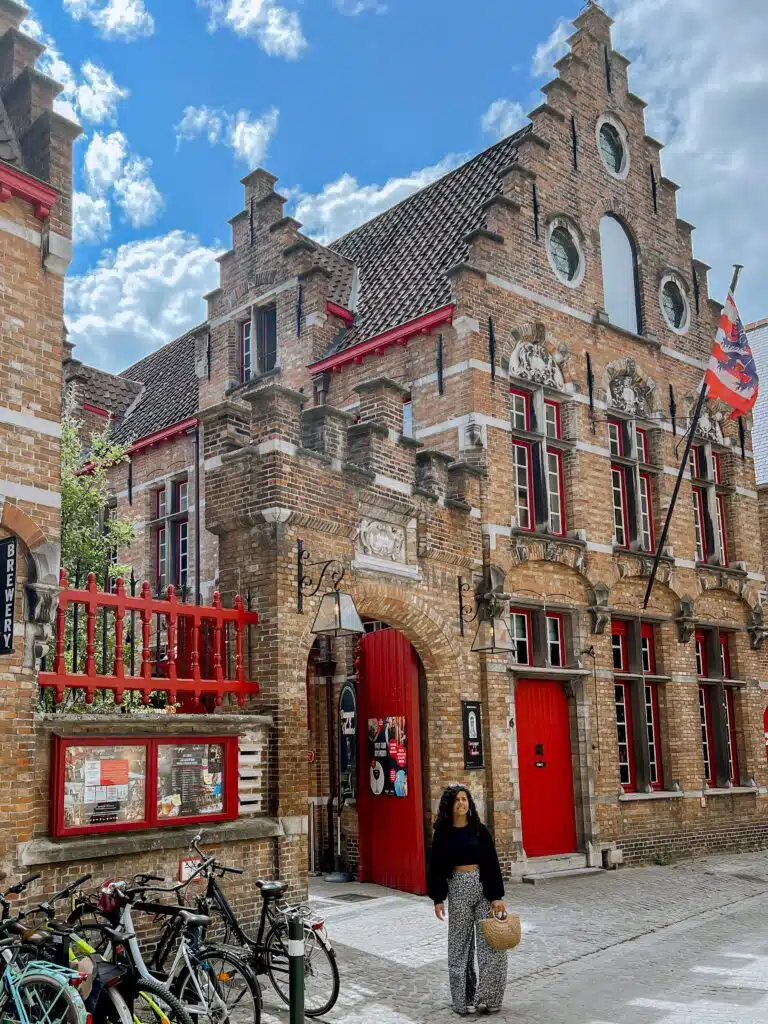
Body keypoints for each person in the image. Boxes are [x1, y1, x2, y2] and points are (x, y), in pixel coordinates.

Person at [428, 785, 508, 1016]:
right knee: (459, 946)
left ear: (469, 804)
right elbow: (437, 868)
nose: (461, 804)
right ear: (450, 806)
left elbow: (491, 863)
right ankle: (464, 1000)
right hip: (458, 890)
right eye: (457, 800)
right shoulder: (442, 832)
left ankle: (490, 997)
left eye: (465, 800)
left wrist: (496, 897)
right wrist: (438, 898)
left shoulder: (479, 830)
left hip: (482, 888)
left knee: (491, 945)